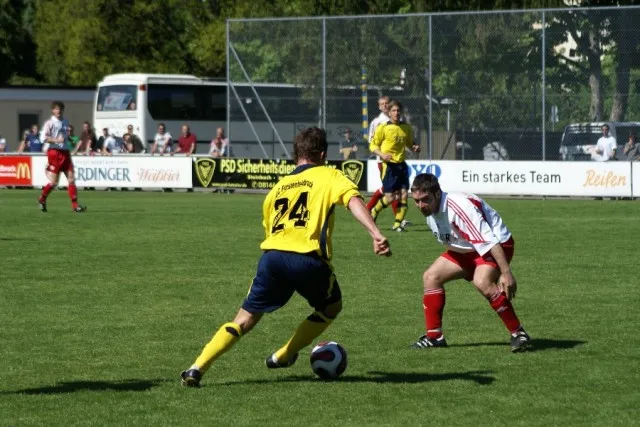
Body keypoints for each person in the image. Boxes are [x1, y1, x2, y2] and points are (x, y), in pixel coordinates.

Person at [180, 127, 391, 387]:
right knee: (331, 307)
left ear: (296, 155)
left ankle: (196, 367)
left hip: (272, 258)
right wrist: (375, 233)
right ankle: (283, 355)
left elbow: (270, 228)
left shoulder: (277, 188)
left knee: (243, 319)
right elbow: (353, 200)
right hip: (307, 259)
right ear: (322, 154)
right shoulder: (329, 175)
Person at [409, 173, 531, 352]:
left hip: (497, 244)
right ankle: (434, 337)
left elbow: (489, 241)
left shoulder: (458, 208)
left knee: (482, 282)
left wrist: (506, 273)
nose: (421, 205)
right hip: (466, 248)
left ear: (437, 194)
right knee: (431, 277)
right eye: (417, 201)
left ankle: (519, 333)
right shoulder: (431, 210)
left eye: (425, 199)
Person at [369, 100, 420, 232]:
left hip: (402, 165)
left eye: (398, 110)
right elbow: (372, 145)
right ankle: (374, 211)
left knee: (404, 196)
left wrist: (414, 147)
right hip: (389, 166)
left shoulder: (406, 128)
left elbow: (409, 143)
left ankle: (397, 224)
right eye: (393, 110)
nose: (396, 113)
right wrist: (382, 154)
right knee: (390, 197)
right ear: (389, 112)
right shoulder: (383, 127)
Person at [38, 101, 86, 213]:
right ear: (52, 110)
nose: (58, 111)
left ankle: (75, 206)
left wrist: (69, 140)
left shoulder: (65, 121)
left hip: (65, 153)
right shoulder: (49, 123)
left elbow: (64, 135)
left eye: (60, 109)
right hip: (55, 153)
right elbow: (43, 138)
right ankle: (42, 198)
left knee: (71, 179)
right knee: (54, 183)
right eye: (56, 109)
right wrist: (56, 140)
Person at [365, 96, 402, 223]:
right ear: (379, 107)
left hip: (396, 160)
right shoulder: (377, 122)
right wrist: (382, 153)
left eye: (387, 103)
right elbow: (371, 141)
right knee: (391, 189)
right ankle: (370, 209)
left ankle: (369, 208)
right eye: (382, 104)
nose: (385, 105)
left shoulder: (395, 120)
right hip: (384, 161)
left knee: (392, 189)